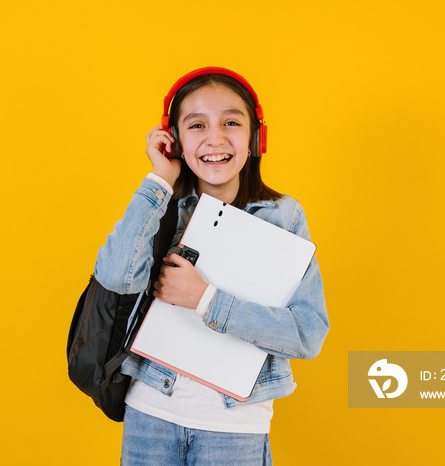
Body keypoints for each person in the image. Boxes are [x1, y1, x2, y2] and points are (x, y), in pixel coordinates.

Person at [94, 67, 329, 465]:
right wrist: (159, 178)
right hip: (150, 414)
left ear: (256, 137)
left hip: (235, 429)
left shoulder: (283, 217)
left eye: (231, 122)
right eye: (196, 125)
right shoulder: (162, 203)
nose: (215, 138)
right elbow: (115, 276)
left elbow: (307, 334)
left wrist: (206, 299)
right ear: (176, 141)